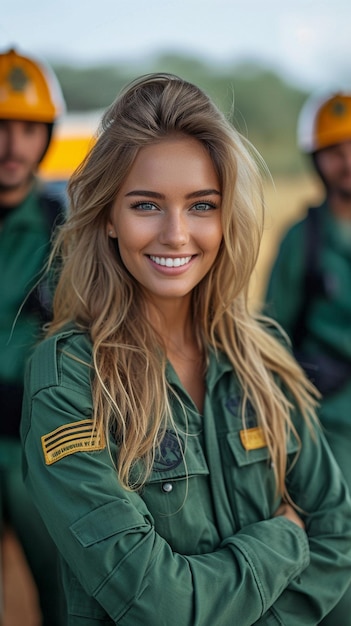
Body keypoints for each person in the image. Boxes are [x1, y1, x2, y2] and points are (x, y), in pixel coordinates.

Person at [20, 73, 351, 626]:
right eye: (147, 205)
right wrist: (284, 539)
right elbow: (157, 603)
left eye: (201, 206)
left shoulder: (263, 358)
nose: (176, 234)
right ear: (108, 216)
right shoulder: (70, 379)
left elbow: (338, 532)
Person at [265, 91, 351, 624]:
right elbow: (271, 340)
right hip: (330, 429)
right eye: (334, 149)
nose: (347, 159)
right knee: (337, 569)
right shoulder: (304, 240)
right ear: (315, 159)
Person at [0, 47, 66, 624]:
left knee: (66, 598)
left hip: (36, 452)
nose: (11, 146)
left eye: (27, 129)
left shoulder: (64, 232)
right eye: (1, 127)